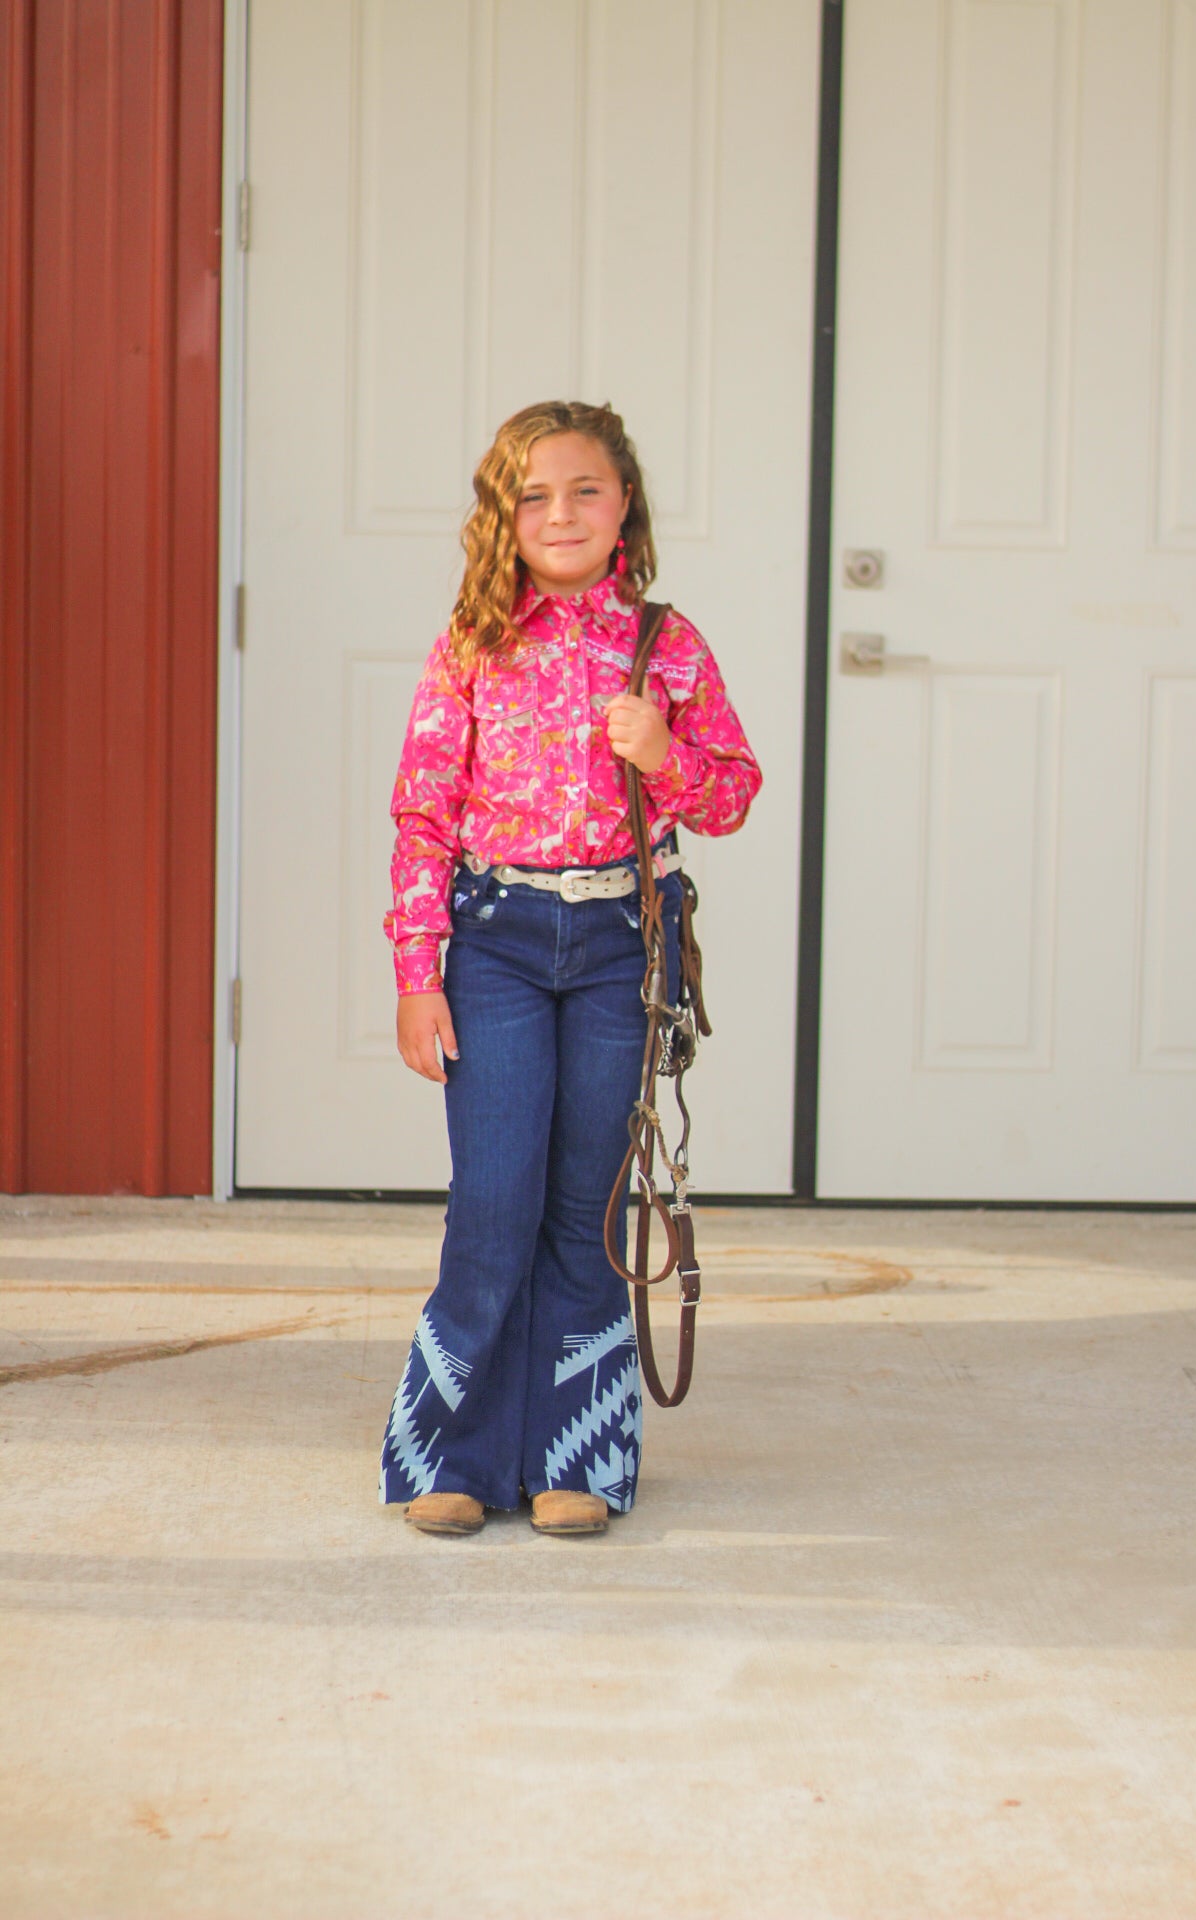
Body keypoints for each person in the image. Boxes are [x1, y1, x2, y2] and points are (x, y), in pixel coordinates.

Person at [378, 399, 762, 1539]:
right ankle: (451, 1454)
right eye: (533, 495)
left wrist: (665, 752)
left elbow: (732, 794)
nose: (560, 513)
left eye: (583, 490)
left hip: (613, 949)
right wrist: (417, 970)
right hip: (493, 940)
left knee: (587, 1210)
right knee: (493, 1199)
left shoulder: (664, 644)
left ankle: (574, 1459)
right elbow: (421, 817)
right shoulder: (472, 645)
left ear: (623, 504)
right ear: (505, 515)